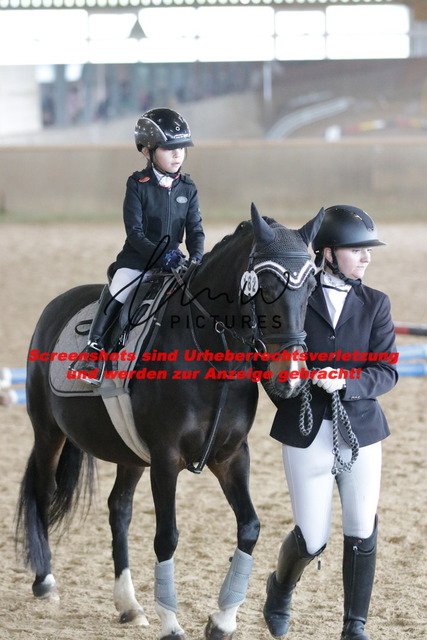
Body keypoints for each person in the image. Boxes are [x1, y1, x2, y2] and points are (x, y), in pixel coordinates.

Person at [263, 205, 398, 640]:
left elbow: (387, 371)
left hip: (362, 429)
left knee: (361, 527)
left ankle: (354, 626)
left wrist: (347, 382)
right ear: (326, 253)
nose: (366, 258)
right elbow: (269, 359)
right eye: (356, 249)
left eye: (368, 250)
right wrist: (290, 383)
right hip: (307, 429)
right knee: (312, 538)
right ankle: (280, 589)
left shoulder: (376, 303)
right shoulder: (296, 297)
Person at [69, 108, 204, 385]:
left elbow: (195, 230)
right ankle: (93, 350)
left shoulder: (188, 188)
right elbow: (135, 233)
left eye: (181, 149)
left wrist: (197, 258)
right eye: (169, 149)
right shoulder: (137, 185)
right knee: (119, 288)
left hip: (176, 263)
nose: (177, 155)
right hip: (138, 261)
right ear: (147, 151)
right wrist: (162, 256)